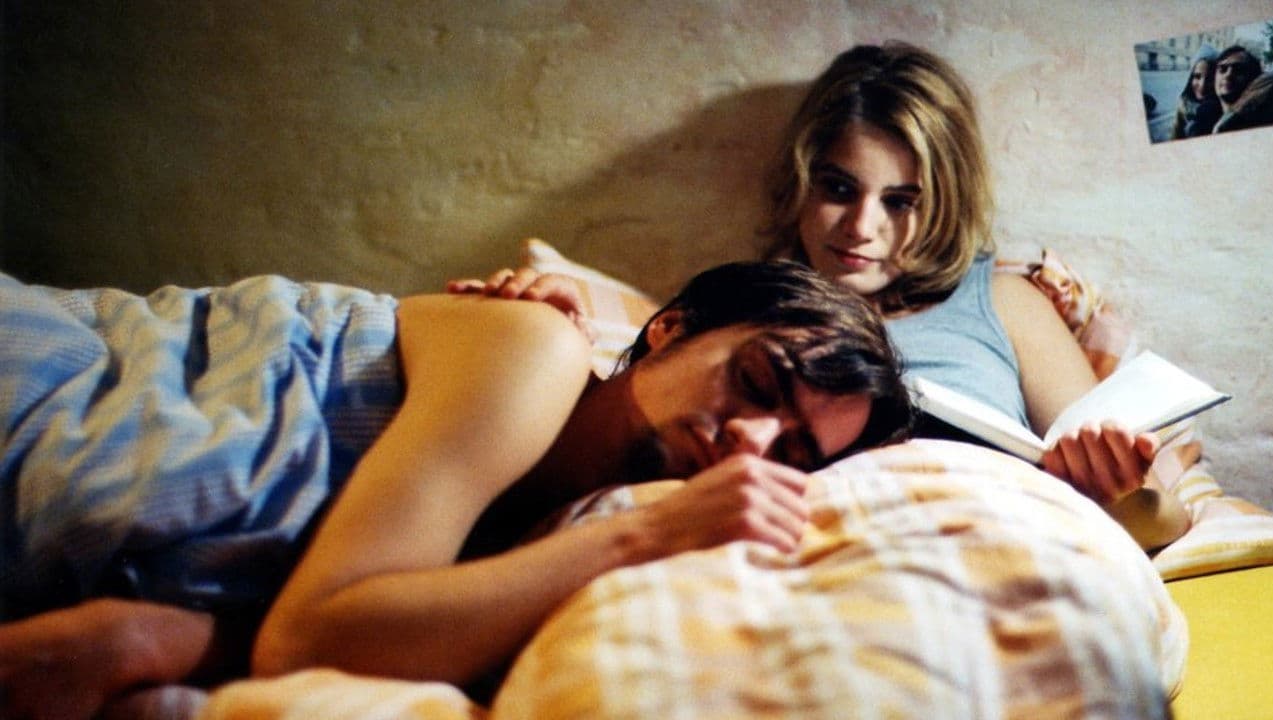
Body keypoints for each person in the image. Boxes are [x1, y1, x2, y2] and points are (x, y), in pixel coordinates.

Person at [0, 260, 911, 720]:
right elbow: (305, 640)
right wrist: (645, 535)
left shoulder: (539, 550)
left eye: (794, 452)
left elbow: (334, 625)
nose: (752, 443)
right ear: (668, 330)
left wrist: (152, 637)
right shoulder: (539, 345)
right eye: (755, 382)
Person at [471, 42, 1192, 551]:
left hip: (978, 536)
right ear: (801, 182)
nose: (861, 228)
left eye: (901, 201)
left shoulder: (1001, 300)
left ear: (944, 204)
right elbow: (620, 384)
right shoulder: (752, 311)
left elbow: (1164, 518)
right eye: (839, 188)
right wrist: (536, 311)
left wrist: (1121, 487)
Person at [1211, 45, 1273, 134]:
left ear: (1254, 78)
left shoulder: (1263, 122)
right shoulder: (1204, 119)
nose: (1228, 74)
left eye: (1238, 69)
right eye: (1222, 69)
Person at [1171, 44, 1220, 140]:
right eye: (1197, 76)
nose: (1202, 85)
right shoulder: (1183, 107)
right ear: (1190, 79)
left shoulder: (1224, 108)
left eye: (1210, 78)